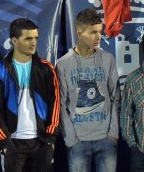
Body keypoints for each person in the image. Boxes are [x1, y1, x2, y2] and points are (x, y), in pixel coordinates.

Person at [0, 18, 62, 172]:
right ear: (14, 40)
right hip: (12, 143)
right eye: (28, 38)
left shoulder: (47, 68)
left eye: (35, 38)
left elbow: (56, 104)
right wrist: (5, 140)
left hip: (41, 141)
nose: (33, 42)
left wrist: (50, 137)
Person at [56, 9, 120, 172]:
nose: (98, 37)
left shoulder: (108, 59)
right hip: (78, 141)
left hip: (106, 139)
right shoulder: (63, 64)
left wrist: (112, 134)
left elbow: (116, 98)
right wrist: (71, 139)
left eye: (100, 31)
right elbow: (61, 104)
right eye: (93, 32)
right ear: (79, 33)